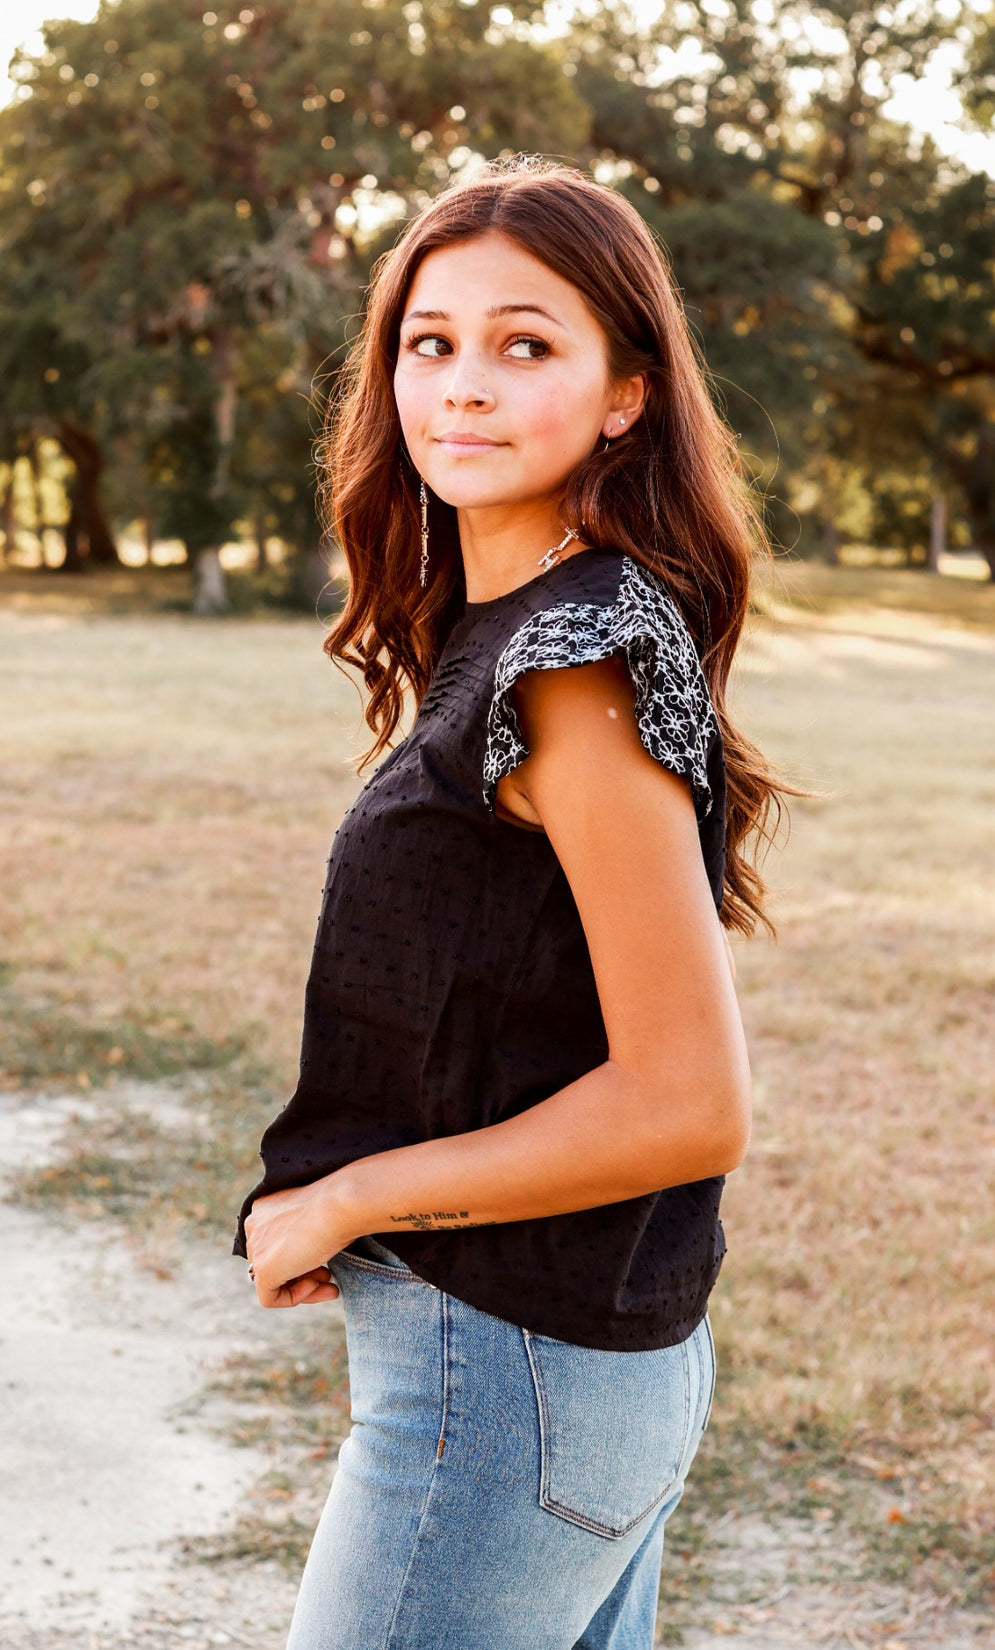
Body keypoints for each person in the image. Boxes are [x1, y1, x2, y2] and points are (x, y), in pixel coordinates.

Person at [234, 156, 784, 1649]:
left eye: (525, 344)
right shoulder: (529, 629)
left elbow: (689, 1102)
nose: (463, 385)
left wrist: (348, 1198)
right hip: (558, 1377)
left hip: (510, 1381)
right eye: (431, 342)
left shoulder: (571, 662)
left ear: (625, 395)